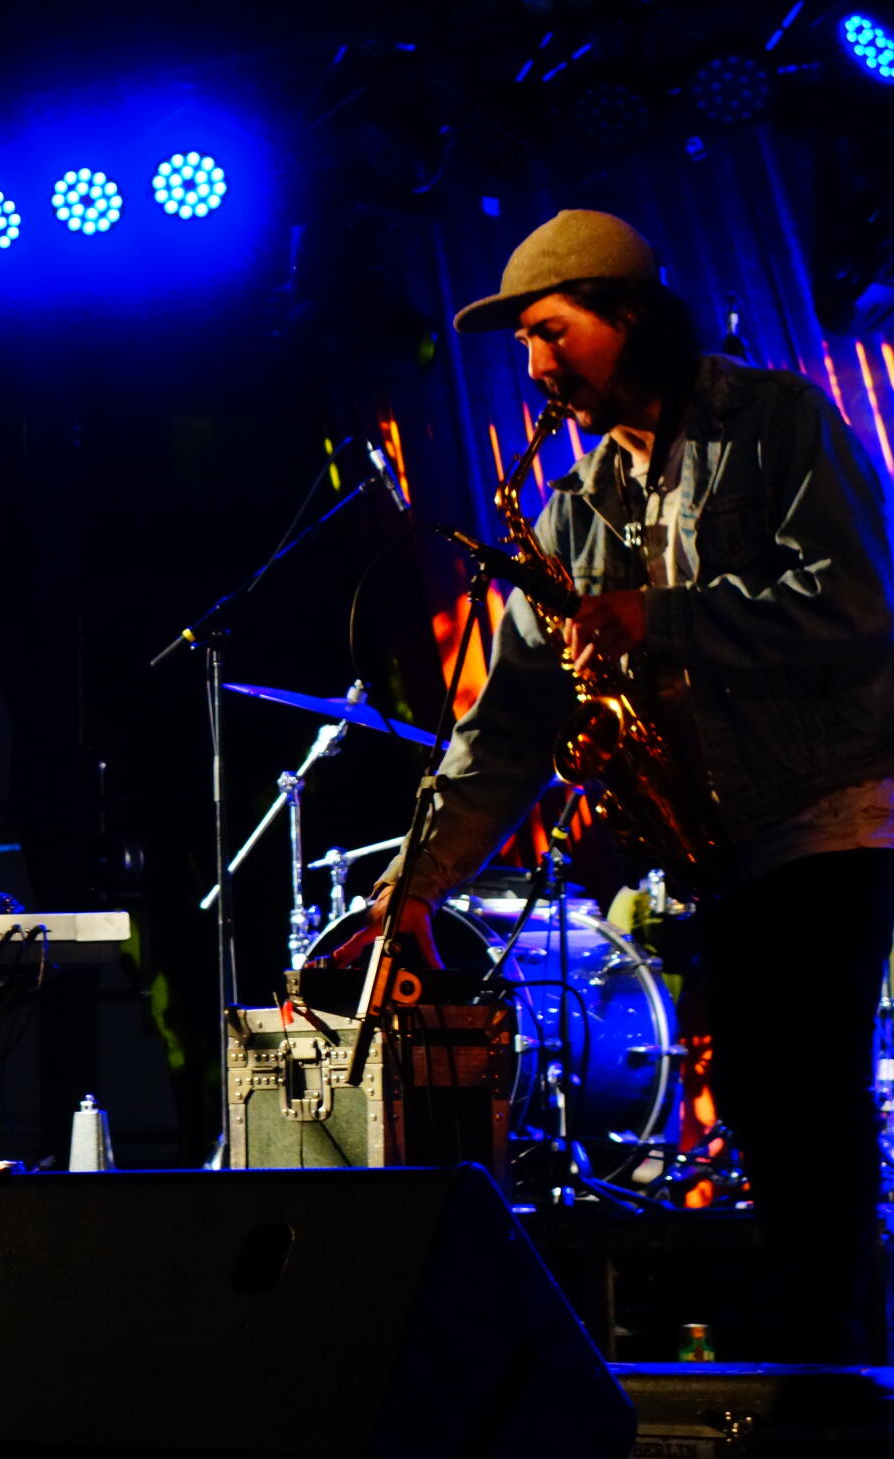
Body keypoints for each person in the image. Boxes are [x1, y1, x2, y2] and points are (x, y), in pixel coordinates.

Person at [349, 209, 894, 1362]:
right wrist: (414, 885)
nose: (534, 366)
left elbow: (858, 603)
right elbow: (502, 731)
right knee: (760, 1087)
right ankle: (826, 1345)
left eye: (551, 333)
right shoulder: (573, 509)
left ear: (630, 315)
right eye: (525, 345)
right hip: (720, 844)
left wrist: (660, 618)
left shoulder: (778, 421)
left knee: (803, 1077)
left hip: (831, 808)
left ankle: (841, 1353)